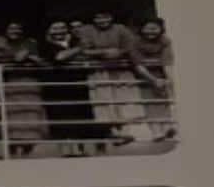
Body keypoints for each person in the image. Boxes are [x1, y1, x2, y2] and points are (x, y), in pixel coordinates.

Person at [78, 9, 143, 148]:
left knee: (123, 99)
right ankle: (114, 133)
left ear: (112, 17)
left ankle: (126, 132)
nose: (102, 20)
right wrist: (103, 52)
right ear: (93, 19)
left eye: (106, 17)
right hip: (99, 71)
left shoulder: (121, 28)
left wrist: (120, 52)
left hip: (120, 69)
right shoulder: (86, 30)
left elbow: (131, 46)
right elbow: (84, 50)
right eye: (98, 17)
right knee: (104, 101)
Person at [38, 20, 96, 157]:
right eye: (55, 28)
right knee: (60, 118)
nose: (59, 31)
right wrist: (79, 49)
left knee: (80, 117)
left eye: (62, 27)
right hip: (56, 87)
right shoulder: (45, 45)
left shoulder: (74, 42)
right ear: (49, 31)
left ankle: (81, 149)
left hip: (77, 85)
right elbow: (59, 57)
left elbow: (86, 58)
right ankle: (66, 151)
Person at [0, 21, 48, 158]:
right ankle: (12, 151)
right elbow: (16, 58)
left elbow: (40, 61)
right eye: (11, 28)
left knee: (31, 117)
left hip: (30, 84)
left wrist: (27, 55)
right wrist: (26, 56)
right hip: (10, 84)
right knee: (11, 118)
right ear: (6, 31)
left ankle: (26, 151)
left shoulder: (30, 43)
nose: (15, 31)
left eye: (18, 28)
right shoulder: (0, 44)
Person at [131, 18, 175, 142]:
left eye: (154, 28)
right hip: (143, 74)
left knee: (163, 100)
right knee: (149, 102)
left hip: (161, 73)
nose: (151, 31)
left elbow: (166, 62)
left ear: (161, 29)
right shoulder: (134, 42)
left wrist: (169, 79)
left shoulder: (165, 41)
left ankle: (166, 127)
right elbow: (138, 64)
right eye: (147, 28)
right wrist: (153, 80)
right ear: (141, 29)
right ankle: (156, 131)